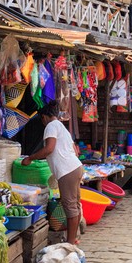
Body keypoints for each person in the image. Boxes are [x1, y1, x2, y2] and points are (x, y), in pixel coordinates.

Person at [21, 103, 83, 246]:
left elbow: (49, 149)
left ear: (43, 117)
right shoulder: (62, 127)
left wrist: (30, 158)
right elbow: (75, 151)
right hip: (76, 167)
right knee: (75, 204)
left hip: (67, 171)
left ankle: (70, 243)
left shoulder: (51, 126)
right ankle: (74, 238)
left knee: (70, 206)